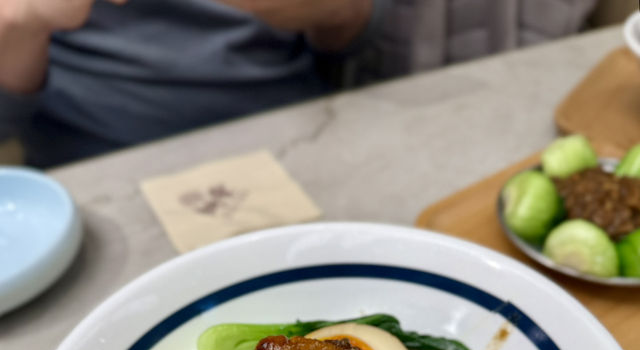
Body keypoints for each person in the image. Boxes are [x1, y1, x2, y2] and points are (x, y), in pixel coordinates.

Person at [0, 0, 597, 168]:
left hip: (302, 140)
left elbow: (377, 51)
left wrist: (338, 14)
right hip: (99, 166)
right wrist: (21, 25)